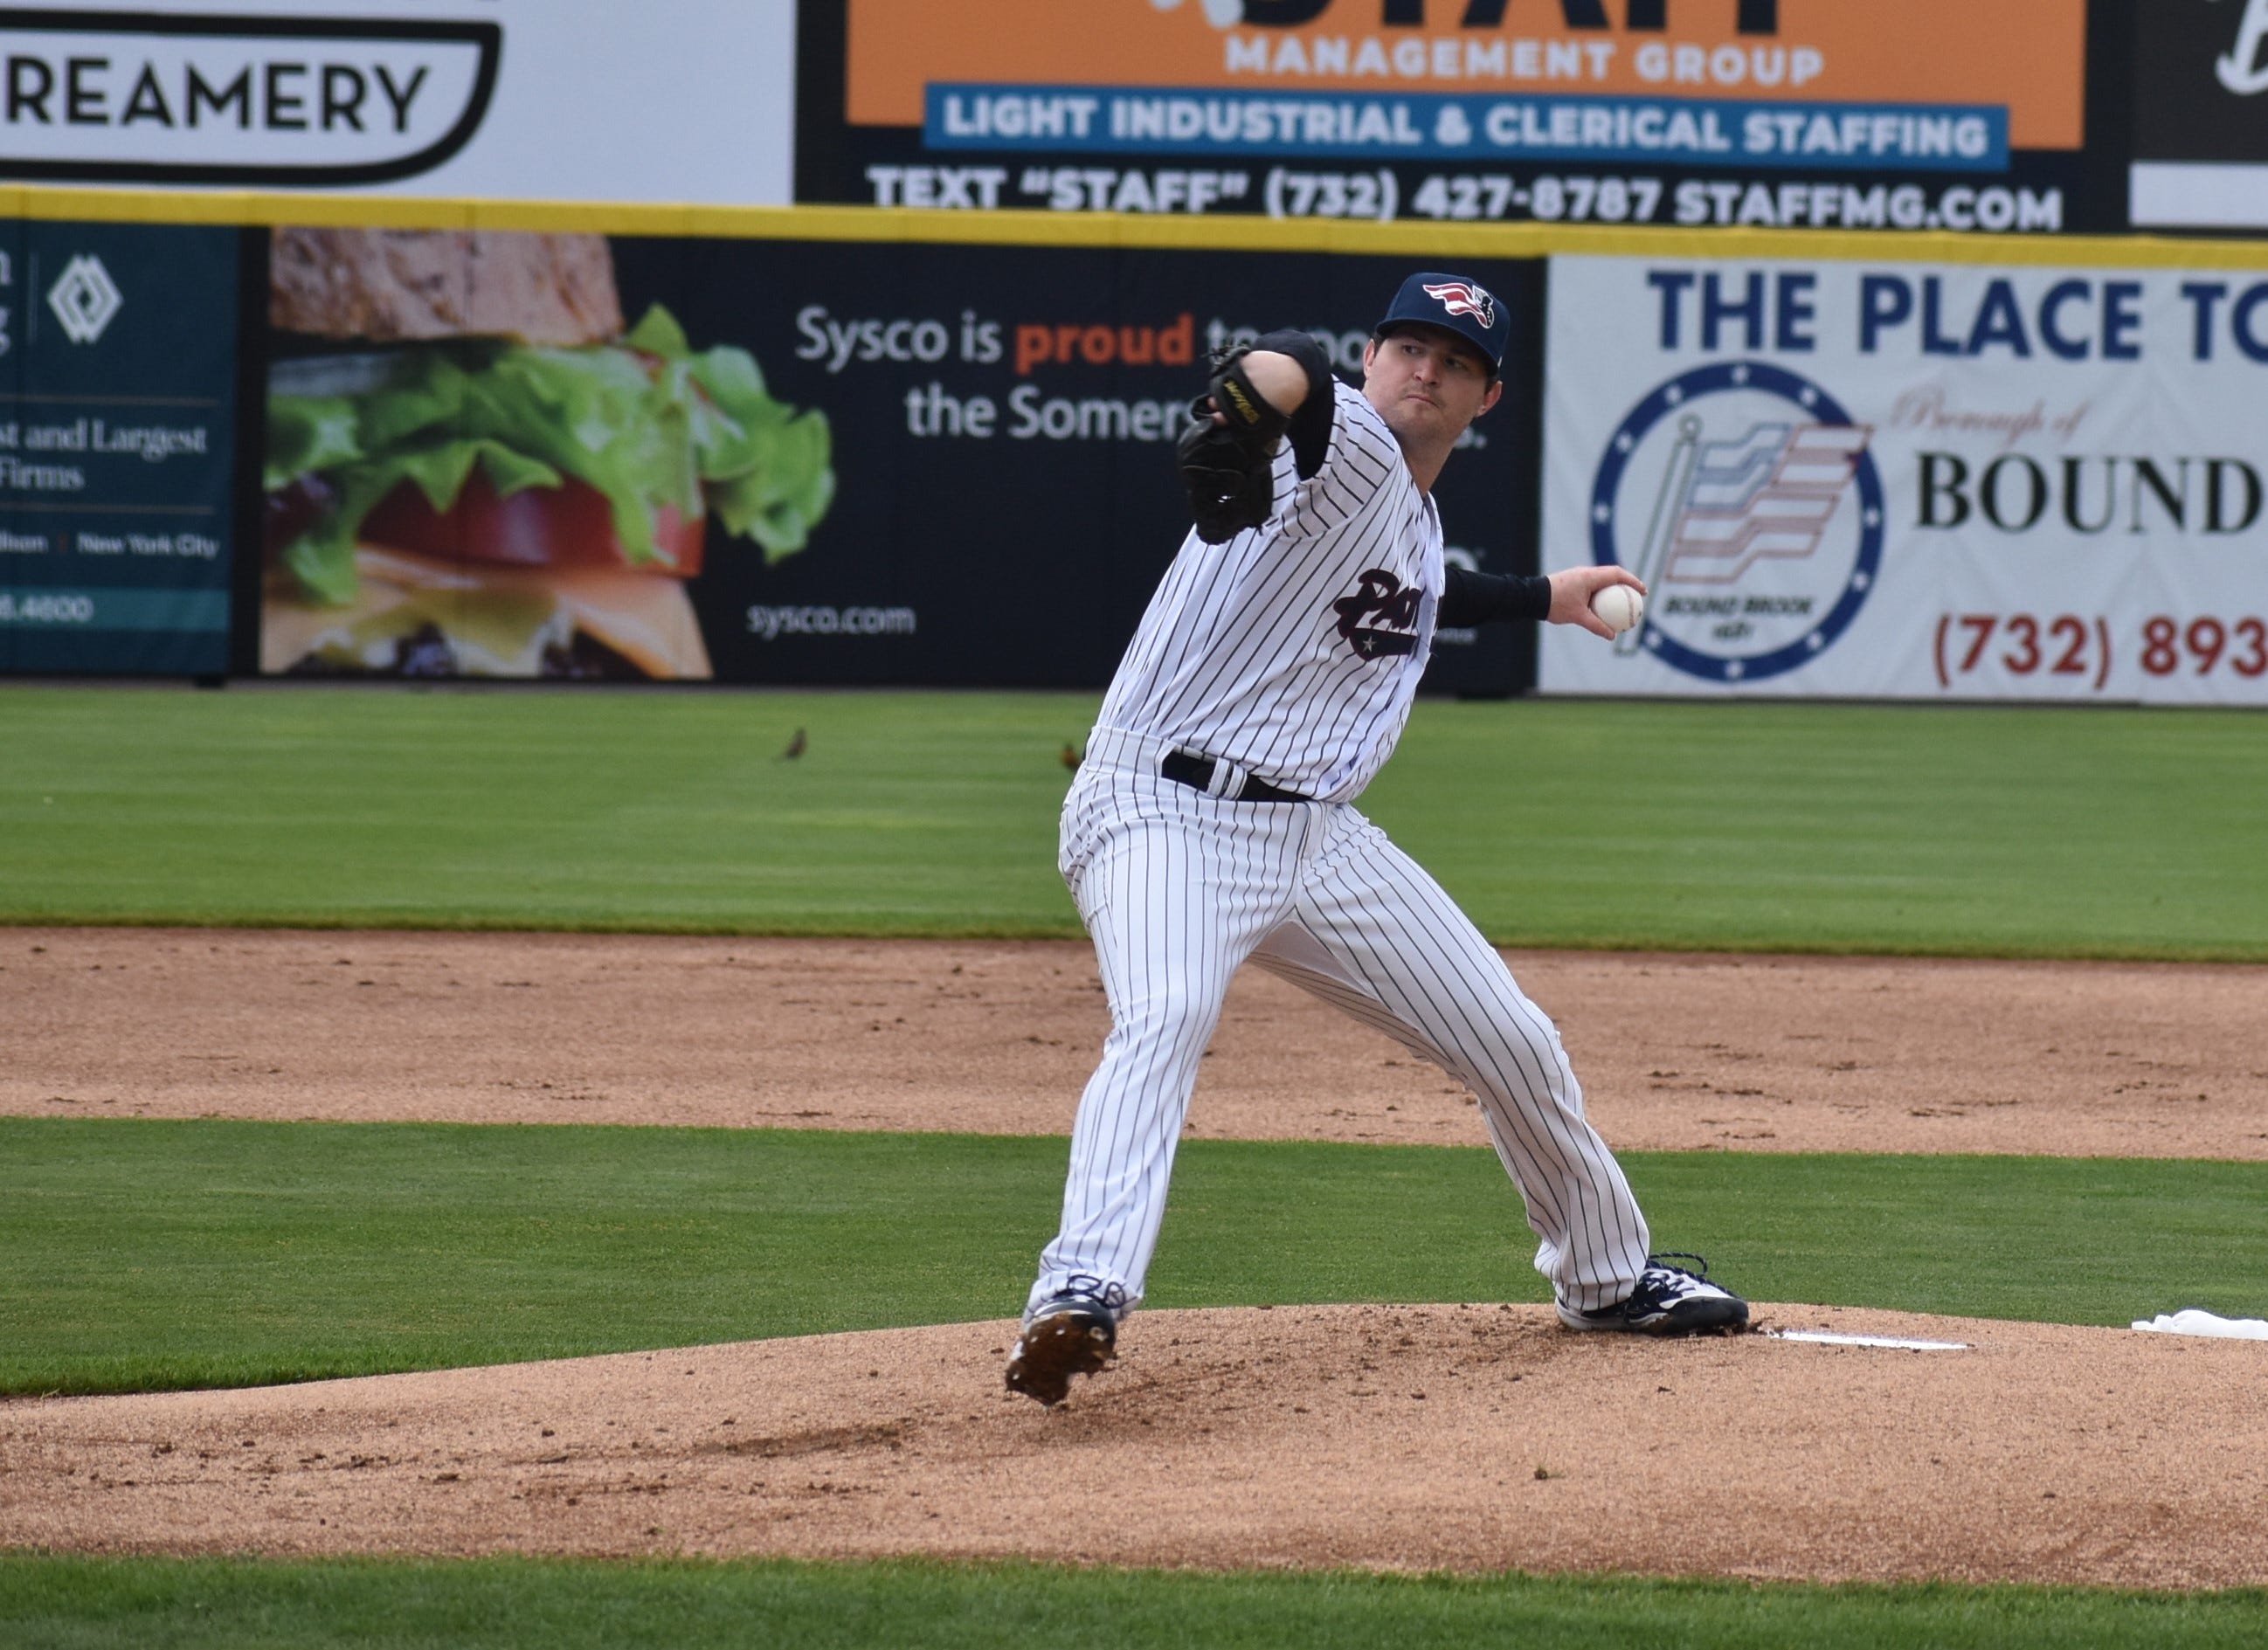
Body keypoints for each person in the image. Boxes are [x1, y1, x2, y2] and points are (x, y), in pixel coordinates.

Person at [1006, 273, 1747, 1407]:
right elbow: (1287, 360)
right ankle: (1080, 1292)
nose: (1425, 369)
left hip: (1315, 838)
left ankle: (1604, 1275)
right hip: (1165, 808)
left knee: (1513, 1036)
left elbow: (1414, 592)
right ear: (1373, 359)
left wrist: (1544, 594)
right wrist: (1236, 417)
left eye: (1454, 360)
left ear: (1485, 397)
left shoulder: (1410, 506)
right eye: (1408, 346)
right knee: (1166, 1014)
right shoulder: (1345, 442)